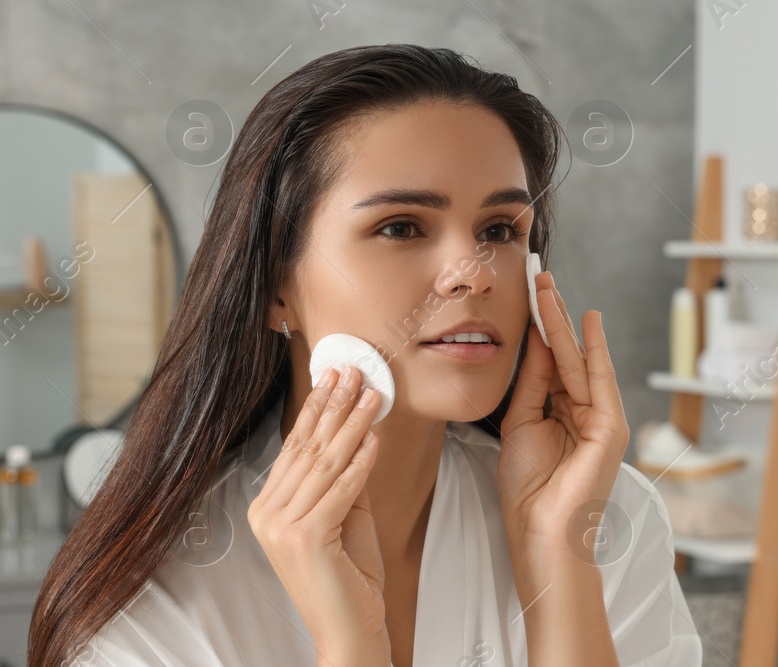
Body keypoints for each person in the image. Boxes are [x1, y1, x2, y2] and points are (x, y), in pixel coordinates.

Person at [29, 44, 702, 667]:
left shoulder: (602, 517)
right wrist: (352, 644)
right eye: (401, 226)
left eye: (499, 229)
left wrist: (560, 567)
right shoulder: (155, 593)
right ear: (273, 285)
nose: (474, 272)